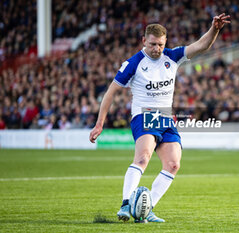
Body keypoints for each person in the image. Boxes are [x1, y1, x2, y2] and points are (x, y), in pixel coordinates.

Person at [89, 13, 230, 223]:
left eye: (161, 45)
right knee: (143, 158)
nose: (157, 49)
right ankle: (126, 204)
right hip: (143, 115)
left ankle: (147, 209)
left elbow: (201, 45)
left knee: (173, 164)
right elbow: (110, 92)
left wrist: (215, 29)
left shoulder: (172, 56)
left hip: (165, 118)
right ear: (144, 40)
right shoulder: (133, 63)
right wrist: (100, 123)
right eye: (153, 44)